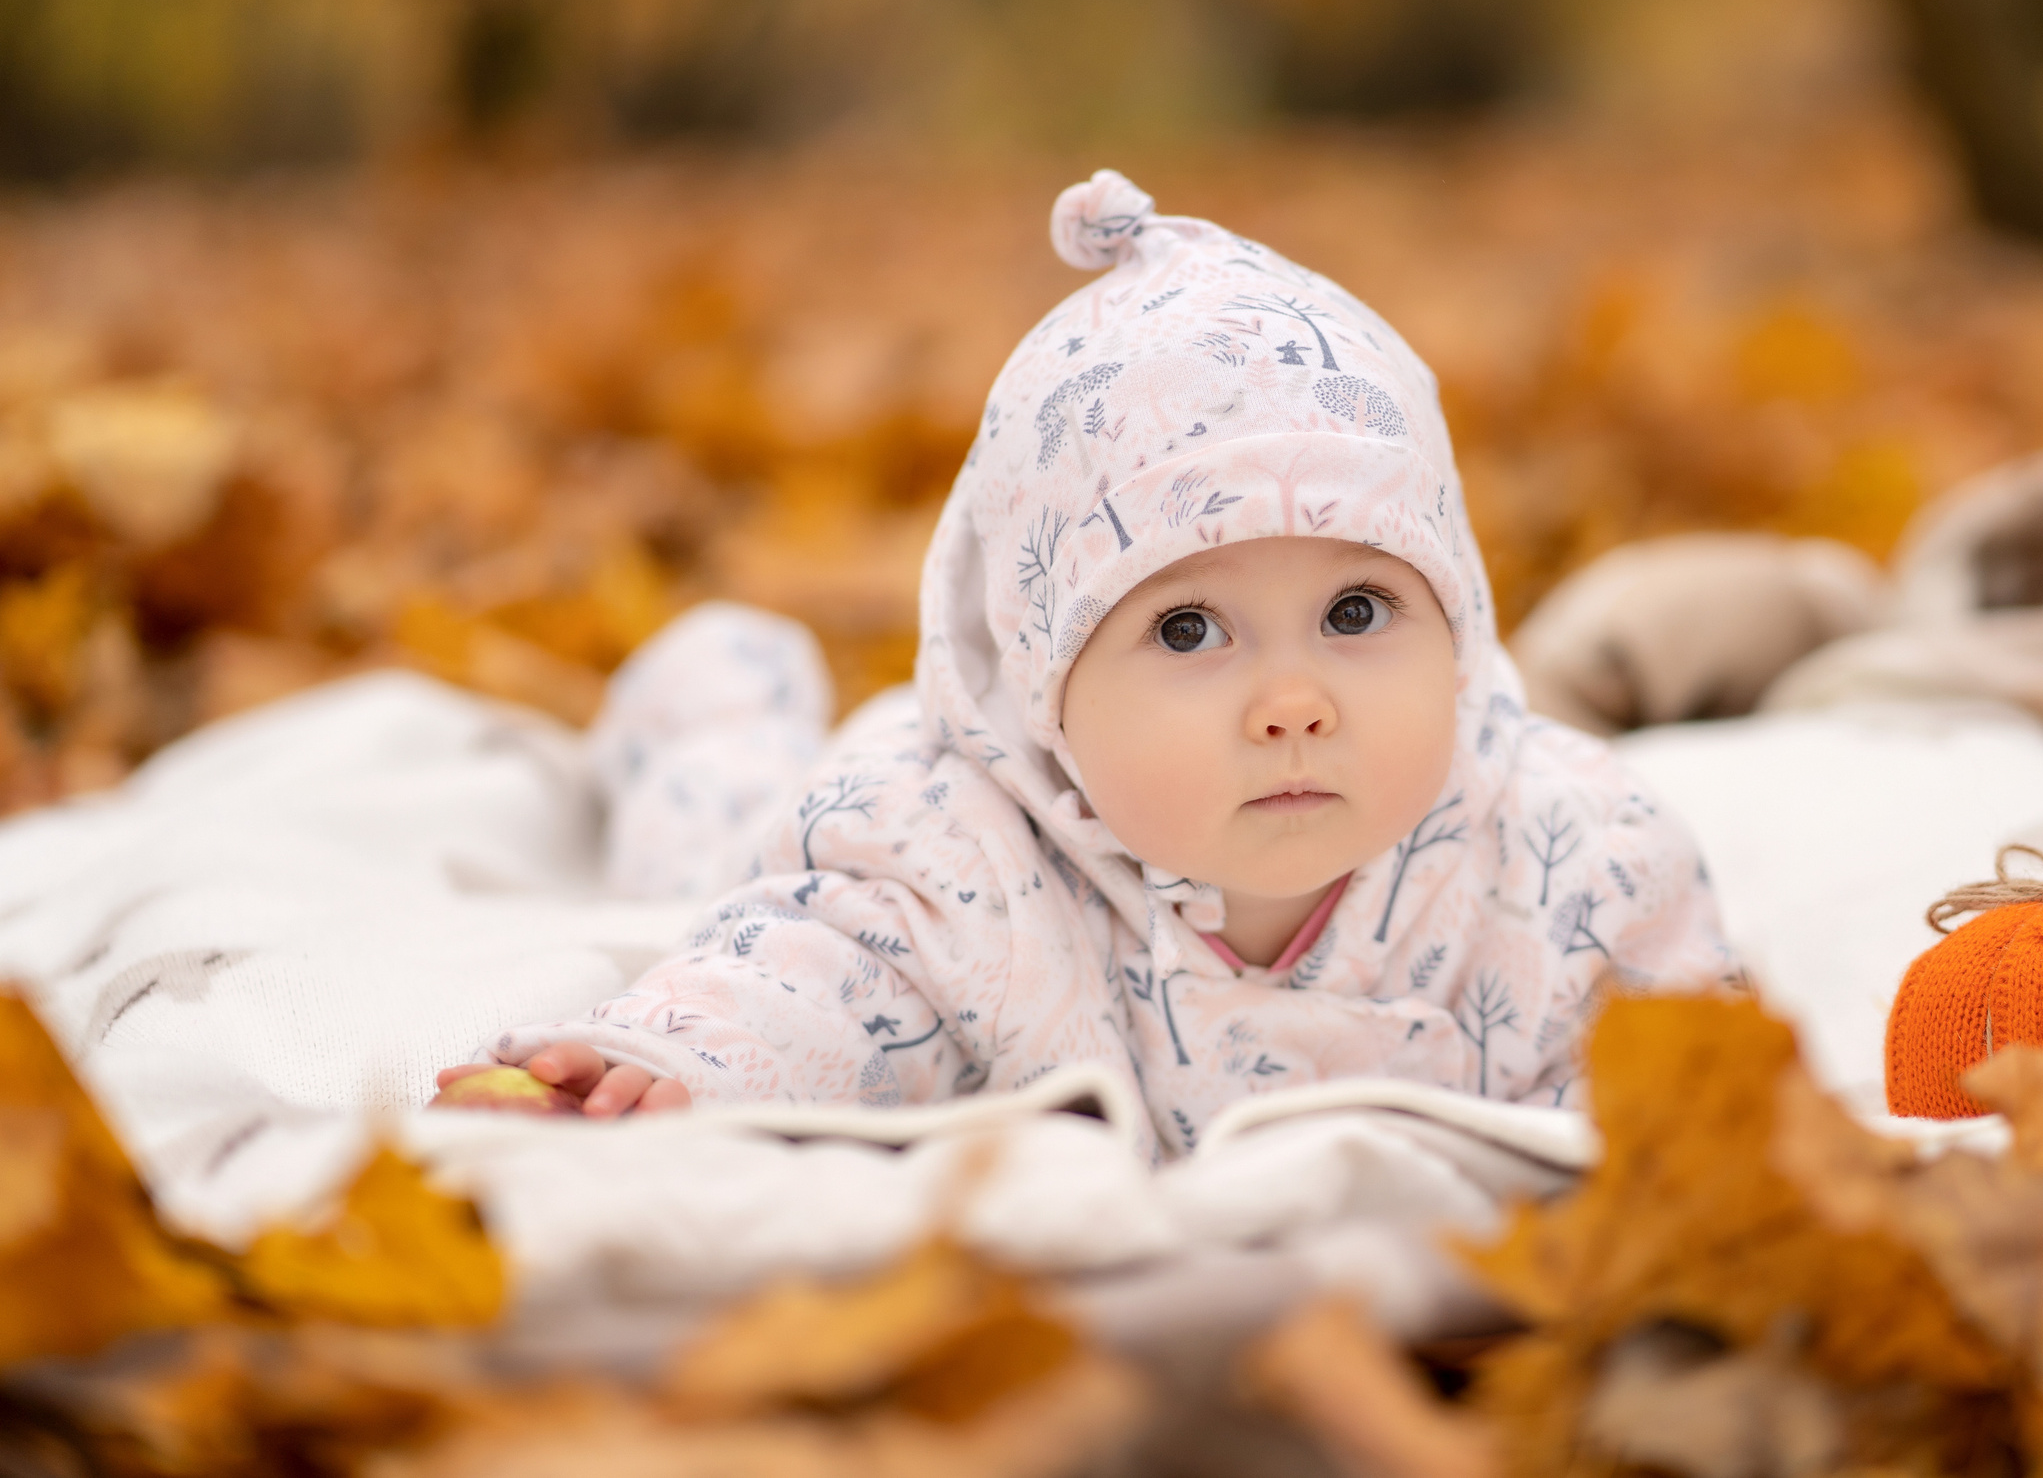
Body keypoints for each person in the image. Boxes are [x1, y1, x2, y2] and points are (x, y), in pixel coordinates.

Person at [437, 172, 1733, 1150]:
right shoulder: (946, 852)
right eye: (1187, 630)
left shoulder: (1571, 857)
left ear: (1460, 625)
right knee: (706, 856)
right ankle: (713, 704)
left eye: (1355, 612)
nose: (1294, 704)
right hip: (817, 829)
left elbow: (1690, 1074)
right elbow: (812, 979)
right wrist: (673, 1062)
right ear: (1043, 685)